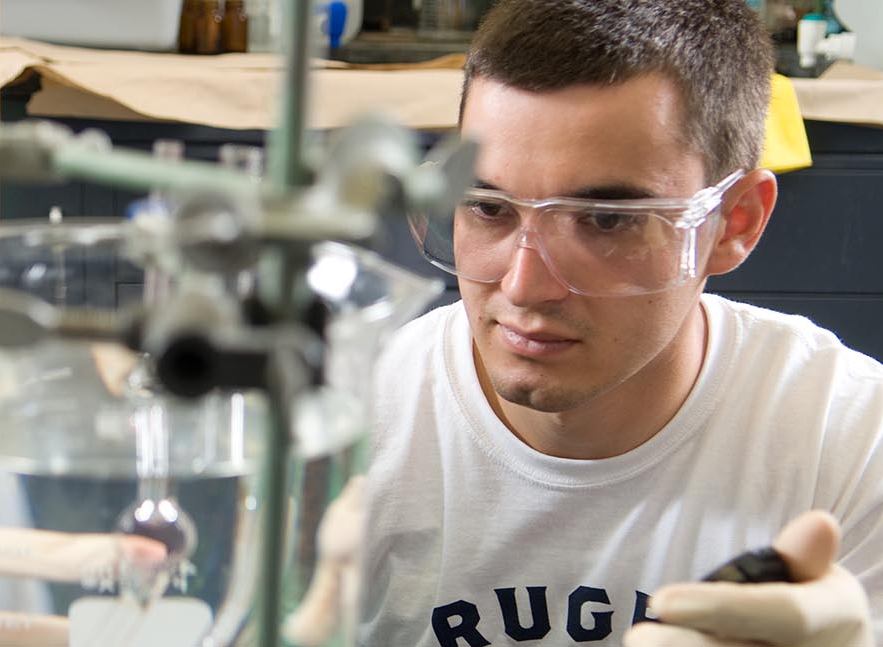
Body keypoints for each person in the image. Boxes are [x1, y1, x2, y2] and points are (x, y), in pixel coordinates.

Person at [361, 0, 883, 645]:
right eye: (488, 207)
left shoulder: (854, 438)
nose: (525, 286)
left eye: (607, 221)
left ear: (735, 223)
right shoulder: (351, 417)